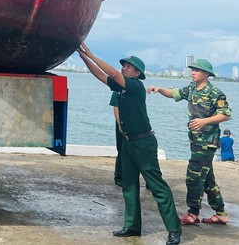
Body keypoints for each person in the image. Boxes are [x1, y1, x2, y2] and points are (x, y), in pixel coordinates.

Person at [77, 42, 181, 245]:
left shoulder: (135, 86)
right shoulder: (121, 89)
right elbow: (101, 76)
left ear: (136, 73)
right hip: (128, 143)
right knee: (129, 185)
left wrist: (91, 52)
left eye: (128, 66)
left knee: (157, 186)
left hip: (144, 143)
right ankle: (132, 226)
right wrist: (84, 59)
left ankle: (174, 230)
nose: (124, 67)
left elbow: (114, 74)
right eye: (123, 65)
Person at [148, 58, 231, 225]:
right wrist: (159, 89)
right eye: (192, 70)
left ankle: (193, 214)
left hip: (207, 142)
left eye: (197, 70)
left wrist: (204, 121)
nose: (193, 72)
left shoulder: (216, 93)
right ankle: (221, 213)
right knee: (207, 178)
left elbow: (226, 114)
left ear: (206, 74)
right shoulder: (192, 88)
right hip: (195, 141)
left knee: (193, 176)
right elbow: (175, 94)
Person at [111, 91, 123, 187]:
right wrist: (120, 124)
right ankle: (119, 176)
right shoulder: (117, 90)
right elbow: (116, 107)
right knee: (121, 150)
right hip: (122, 123)